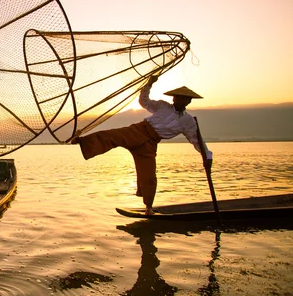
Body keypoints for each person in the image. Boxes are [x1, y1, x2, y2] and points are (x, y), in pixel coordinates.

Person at [70, 76, 213, 215]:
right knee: (111, 136)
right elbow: (144, 101)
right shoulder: (162, 105)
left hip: (150, 143)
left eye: (183, 98)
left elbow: (196, 139)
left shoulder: (188, 121)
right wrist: (149, 84)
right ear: (173, 98)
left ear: (188, 101)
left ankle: (148, 207)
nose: (178, 100)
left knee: (149, 175)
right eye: (177, 97)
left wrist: (206, 156)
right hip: (138, 131)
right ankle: (81, 141)